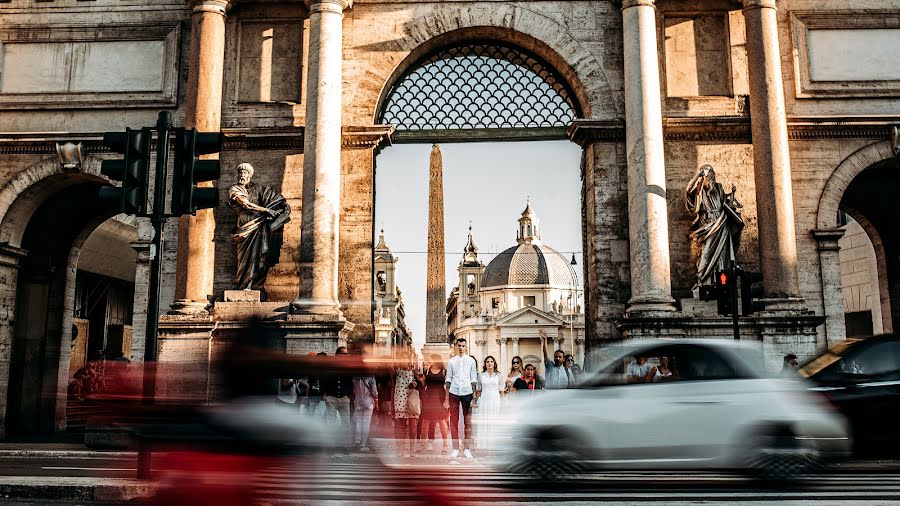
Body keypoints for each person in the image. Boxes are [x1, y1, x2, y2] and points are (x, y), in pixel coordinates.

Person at [228, 162, 291, 291]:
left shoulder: (257, 190)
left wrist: (283, 205)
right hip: (245, 228)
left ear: (249, 175)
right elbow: (246, 205)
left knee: (258, 257)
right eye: (240, 173)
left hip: (259, 227)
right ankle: (242, 285)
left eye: (244, 173)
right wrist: (266, 211)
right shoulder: (235, 189)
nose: (242, 175)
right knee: (243, 258)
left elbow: (272, 197)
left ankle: (254, 285)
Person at [685, 164, 745, 288]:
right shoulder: (699, 190)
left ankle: (721, 282)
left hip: (721, 222)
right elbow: (688, 190)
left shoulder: (718, 187)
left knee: (722, 253)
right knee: (706, 252)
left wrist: (733, 193)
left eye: (711, 172)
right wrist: (698, 175)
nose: (709, 175)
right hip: (707, 224)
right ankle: (702, 279)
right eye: (707, 173)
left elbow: (726, 204)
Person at [444, 338, 478, 459]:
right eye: (459, 345)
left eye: (463, 345)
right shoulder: (451, 361)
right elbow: (448, 379)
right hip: (453, 392)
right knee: (453, 421)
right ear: (455, 346)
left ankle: (467, 449)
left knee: (467, 422)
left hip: (467, 392)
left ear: (466, 346)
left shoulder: (471, 361)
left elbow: (474, 379)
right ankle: (455, 448)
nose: (461, 348)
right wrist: (446, 399)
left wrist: (474, 398)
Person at [321, 347, 353, 451]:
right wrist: (324, 394)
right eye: (345, 354)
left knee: (346, 424)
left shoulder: (348, 367)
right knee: (331, 424)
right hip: (332, 398)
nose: (347, 355)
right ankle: (331, 445)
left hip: (344, 398)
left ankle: (343, 445)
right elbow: (323, 379)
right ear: (338, 354)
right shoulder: (330, 366)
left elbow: (351, 381)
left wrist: (349, 395)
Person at [418, 355, 450, 454]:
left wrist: (446, 400)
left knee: (442, 421)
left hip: (440, 398)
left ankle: (445, 446)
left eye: (430, 359)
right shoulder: (426, 371)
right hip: (429, 398)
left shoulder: (444, 372)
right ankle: (422, 446)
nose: (429, 361)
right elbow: (424, 385)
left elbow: (448, 387)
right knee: (425, 422)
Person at [474, 356, 503, 453]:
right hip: (484, 401)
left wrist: (503, 404)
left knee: (494, 422)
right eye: (487, 362)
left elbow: (501, 391)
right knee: (485, 422)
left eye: (491, 361)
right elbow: (479, 390)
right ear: (485, 364)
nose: (489, 363)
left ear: (494, 363)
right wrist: (475, 401)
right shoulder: (481, 375)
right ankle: (484, 446)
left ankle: (494, 446)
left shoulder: (499, 375)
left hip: (495, 401)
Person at [393, 351, 420, 457]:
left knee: (413, 427)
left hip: (411, 401)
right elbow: (392, 387)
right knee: (401, 428)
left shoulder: (413, 372)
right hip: (399, 400)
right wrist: (392, 405)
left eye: (406, 358)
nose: (404, 360)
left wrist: (415, 383)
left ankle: (412, 450)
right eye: (402, 358)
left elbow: (421, 383)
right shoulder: (396, 372)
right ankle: (401, 450)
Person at [352, 373, 378, 452]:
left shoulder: (355, 376)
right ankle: (363, 444)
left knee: (358, 422)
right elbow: (374, 391)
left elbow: (353, 391)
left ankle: (357, 440)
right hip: (368, 402)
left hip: (358, 401)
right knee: (366, 424)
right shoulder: (371, 376)